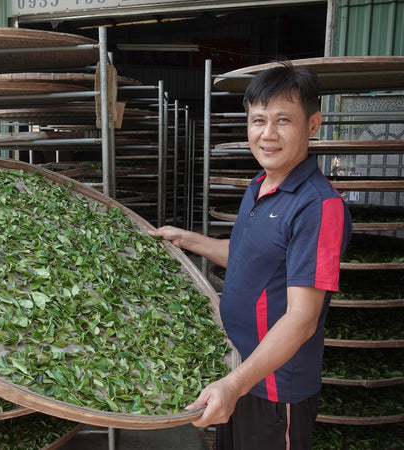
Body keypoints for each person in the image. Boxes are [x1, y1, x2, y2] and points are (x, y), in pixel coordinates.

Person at [149, 61, 352, 449]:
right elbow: (247, 259)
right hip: (236, 372)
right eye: (258, 121)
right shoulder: (259, 185)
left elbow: (301, 319)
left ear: (313, 124)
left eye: (283, 121)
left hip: (274, 390)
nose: (268, 134)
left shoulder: (319, 207)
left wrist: (236, 383)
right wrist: (187, 239)